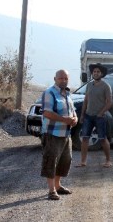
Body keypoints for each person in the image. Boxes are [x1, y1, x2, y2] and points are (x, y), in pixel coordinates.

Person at [40, 69, 78, 200]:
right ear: (55, 79)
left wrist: (75, 119)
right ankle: (51, 191)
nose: (64, 80)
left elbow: (73, 111)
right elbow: (46, 113)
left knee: (64, 161)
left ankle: (58, 186)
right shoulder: (49, 93)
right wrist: (64, 120)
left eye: (66, 78)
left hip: (66, 134)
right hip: (52, 133)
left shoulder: (67, 94)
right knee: (51, 161)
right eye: (61, 78)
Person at [76, 63, 113, 168]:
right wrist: (82, 114)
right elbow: (86, 100)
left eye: (98, 72)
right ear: (92, 73)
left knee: (102, 138)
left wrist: (101, 113)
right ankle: (83, 161)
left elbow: (109, 102)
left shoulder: (106, 86)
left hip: (100, 117)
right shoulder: (89, 85)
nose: (96, 73)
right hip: (88, 115)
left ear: (101, 74)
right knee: (85, 138)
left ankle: (108, 160)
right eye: (94, 72)